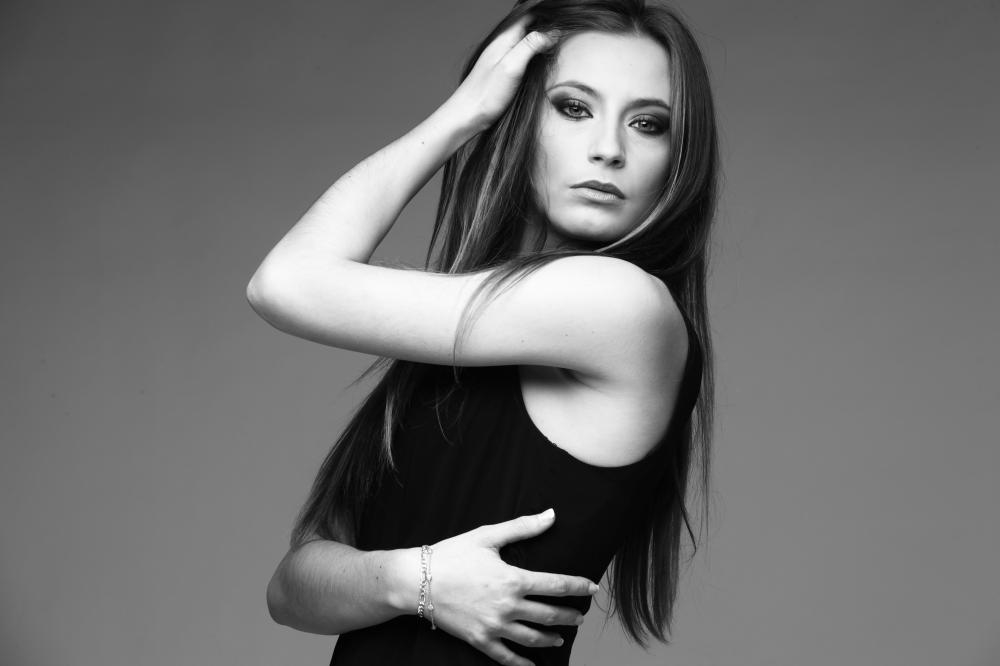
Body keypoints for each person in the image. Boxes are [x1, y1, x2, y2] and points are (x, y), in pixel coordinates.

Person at [246, 0, 717, 664]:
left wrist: (460, 115)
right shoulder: (451, 352)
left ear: (678, 158)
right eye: (573, 107)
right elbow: (291, 590)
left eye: (647, 124)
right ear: (517, 119)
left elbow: (284, 284)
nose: (609, 148)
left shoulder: (622, 305)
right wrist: (416, 578)